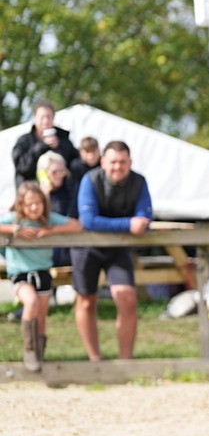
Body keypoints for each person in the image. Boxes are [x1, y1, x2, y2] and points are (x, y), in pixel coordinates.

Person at [73, 141, 153, 361]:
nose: (118, 167)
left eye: (122, 162)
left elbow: (145, 217)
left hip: (118, 248)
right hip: (86, 247)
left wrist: (136, 224)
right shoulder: (89, 180)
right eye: (113, 162)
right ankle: (95, 360)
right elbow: (88, 221)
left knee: (126, 297)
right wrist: (128, 224)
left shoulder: (139, 182)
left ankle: (125, 361)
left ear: (130, 163)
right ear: (103, 162)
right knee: (87, 301)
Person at [1, 182, 82, 371]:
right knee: (31, 303)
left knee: (42, 316)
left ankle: (38, 355)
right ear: (21, 204)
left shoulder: (48, 219)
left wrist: (52, 231)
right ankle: (28, 350)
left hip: (43, 273)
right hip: (21, 274)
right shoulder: (14, 219)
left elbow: (76, 225)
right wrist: (14, 230)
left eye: (38, 203)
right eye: (29, 203)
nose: (34, 207)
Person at [12, 100, 83, 189]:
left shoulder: (63, 139)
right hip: (33, 193)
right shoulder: (24, 141)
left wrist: (60, 149)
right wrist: (41, 147)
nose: (45, 121)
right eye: (42, 117)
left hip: (61, 195)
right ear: (35, 118)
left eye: (48, 117)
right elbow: (22, 167)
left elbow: (76, 162)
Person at [37, 150, 77, 270]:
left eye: (62, 171)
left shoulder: (71, 188)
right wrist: (45, 196)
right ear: (43, 173)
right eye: (55, 172)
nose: (60, 175)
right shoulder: (34, 193)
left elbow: (73, 218)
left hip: (68, 246)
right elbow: (40, 221)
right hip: (44, 250)